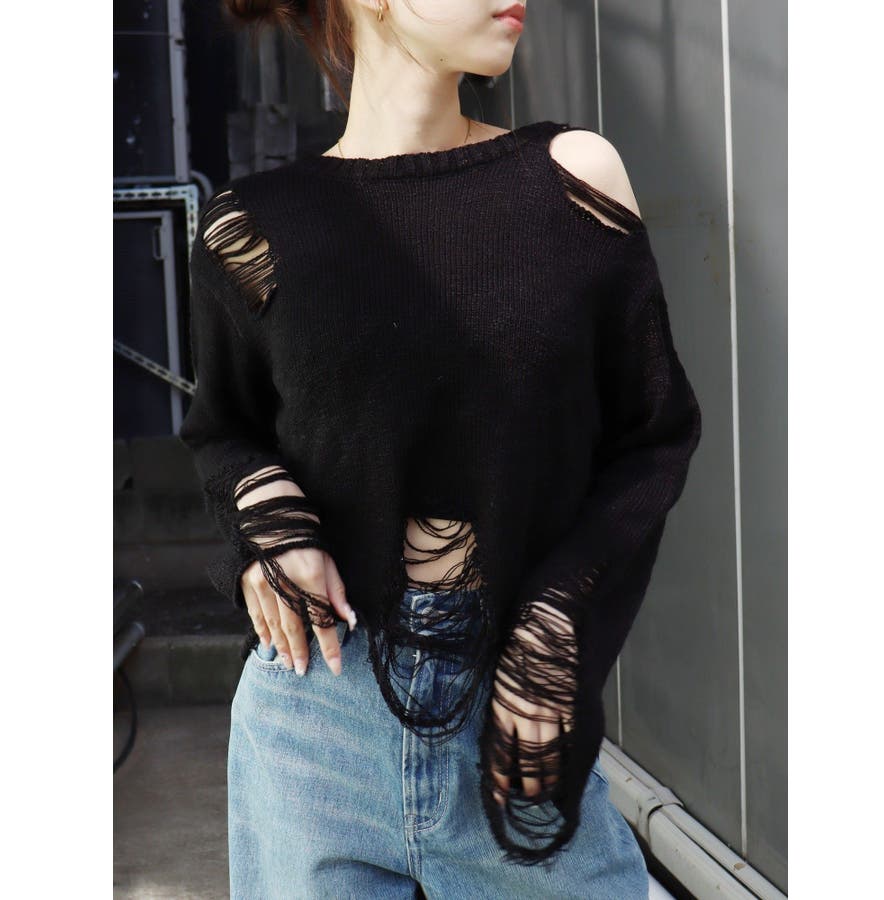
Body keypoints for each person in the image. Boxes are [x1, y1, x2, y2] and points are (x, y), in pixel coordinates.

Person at [178, 0, 702, 896]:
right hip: (314, 710)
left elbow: (652, 441)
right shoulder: (250, 226)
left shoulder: (571, 181)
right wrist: (270, 527)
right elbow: (224, 430)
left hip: (510, 698)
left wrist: (555, 630)